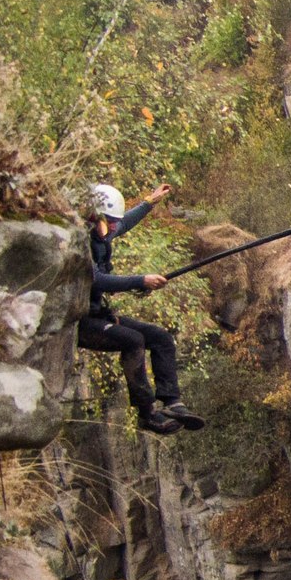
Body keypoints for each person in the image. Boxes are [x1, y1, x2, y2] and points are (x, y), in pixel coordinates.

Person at [80, 181, 205, 435]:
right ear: (94, 216)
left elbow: (124, 223)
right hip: (81, 322)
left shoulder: (104, 230)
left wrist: (149, 203)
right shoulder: (81, 242)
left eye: (113, 223)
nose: (113, 227)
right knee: (133, 340)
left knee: (161, 339)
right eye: (109, 222)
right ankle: (147, 414)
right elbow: (97, 279)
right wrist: (140, 280)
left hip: (99, 314)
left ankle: (172, 402)